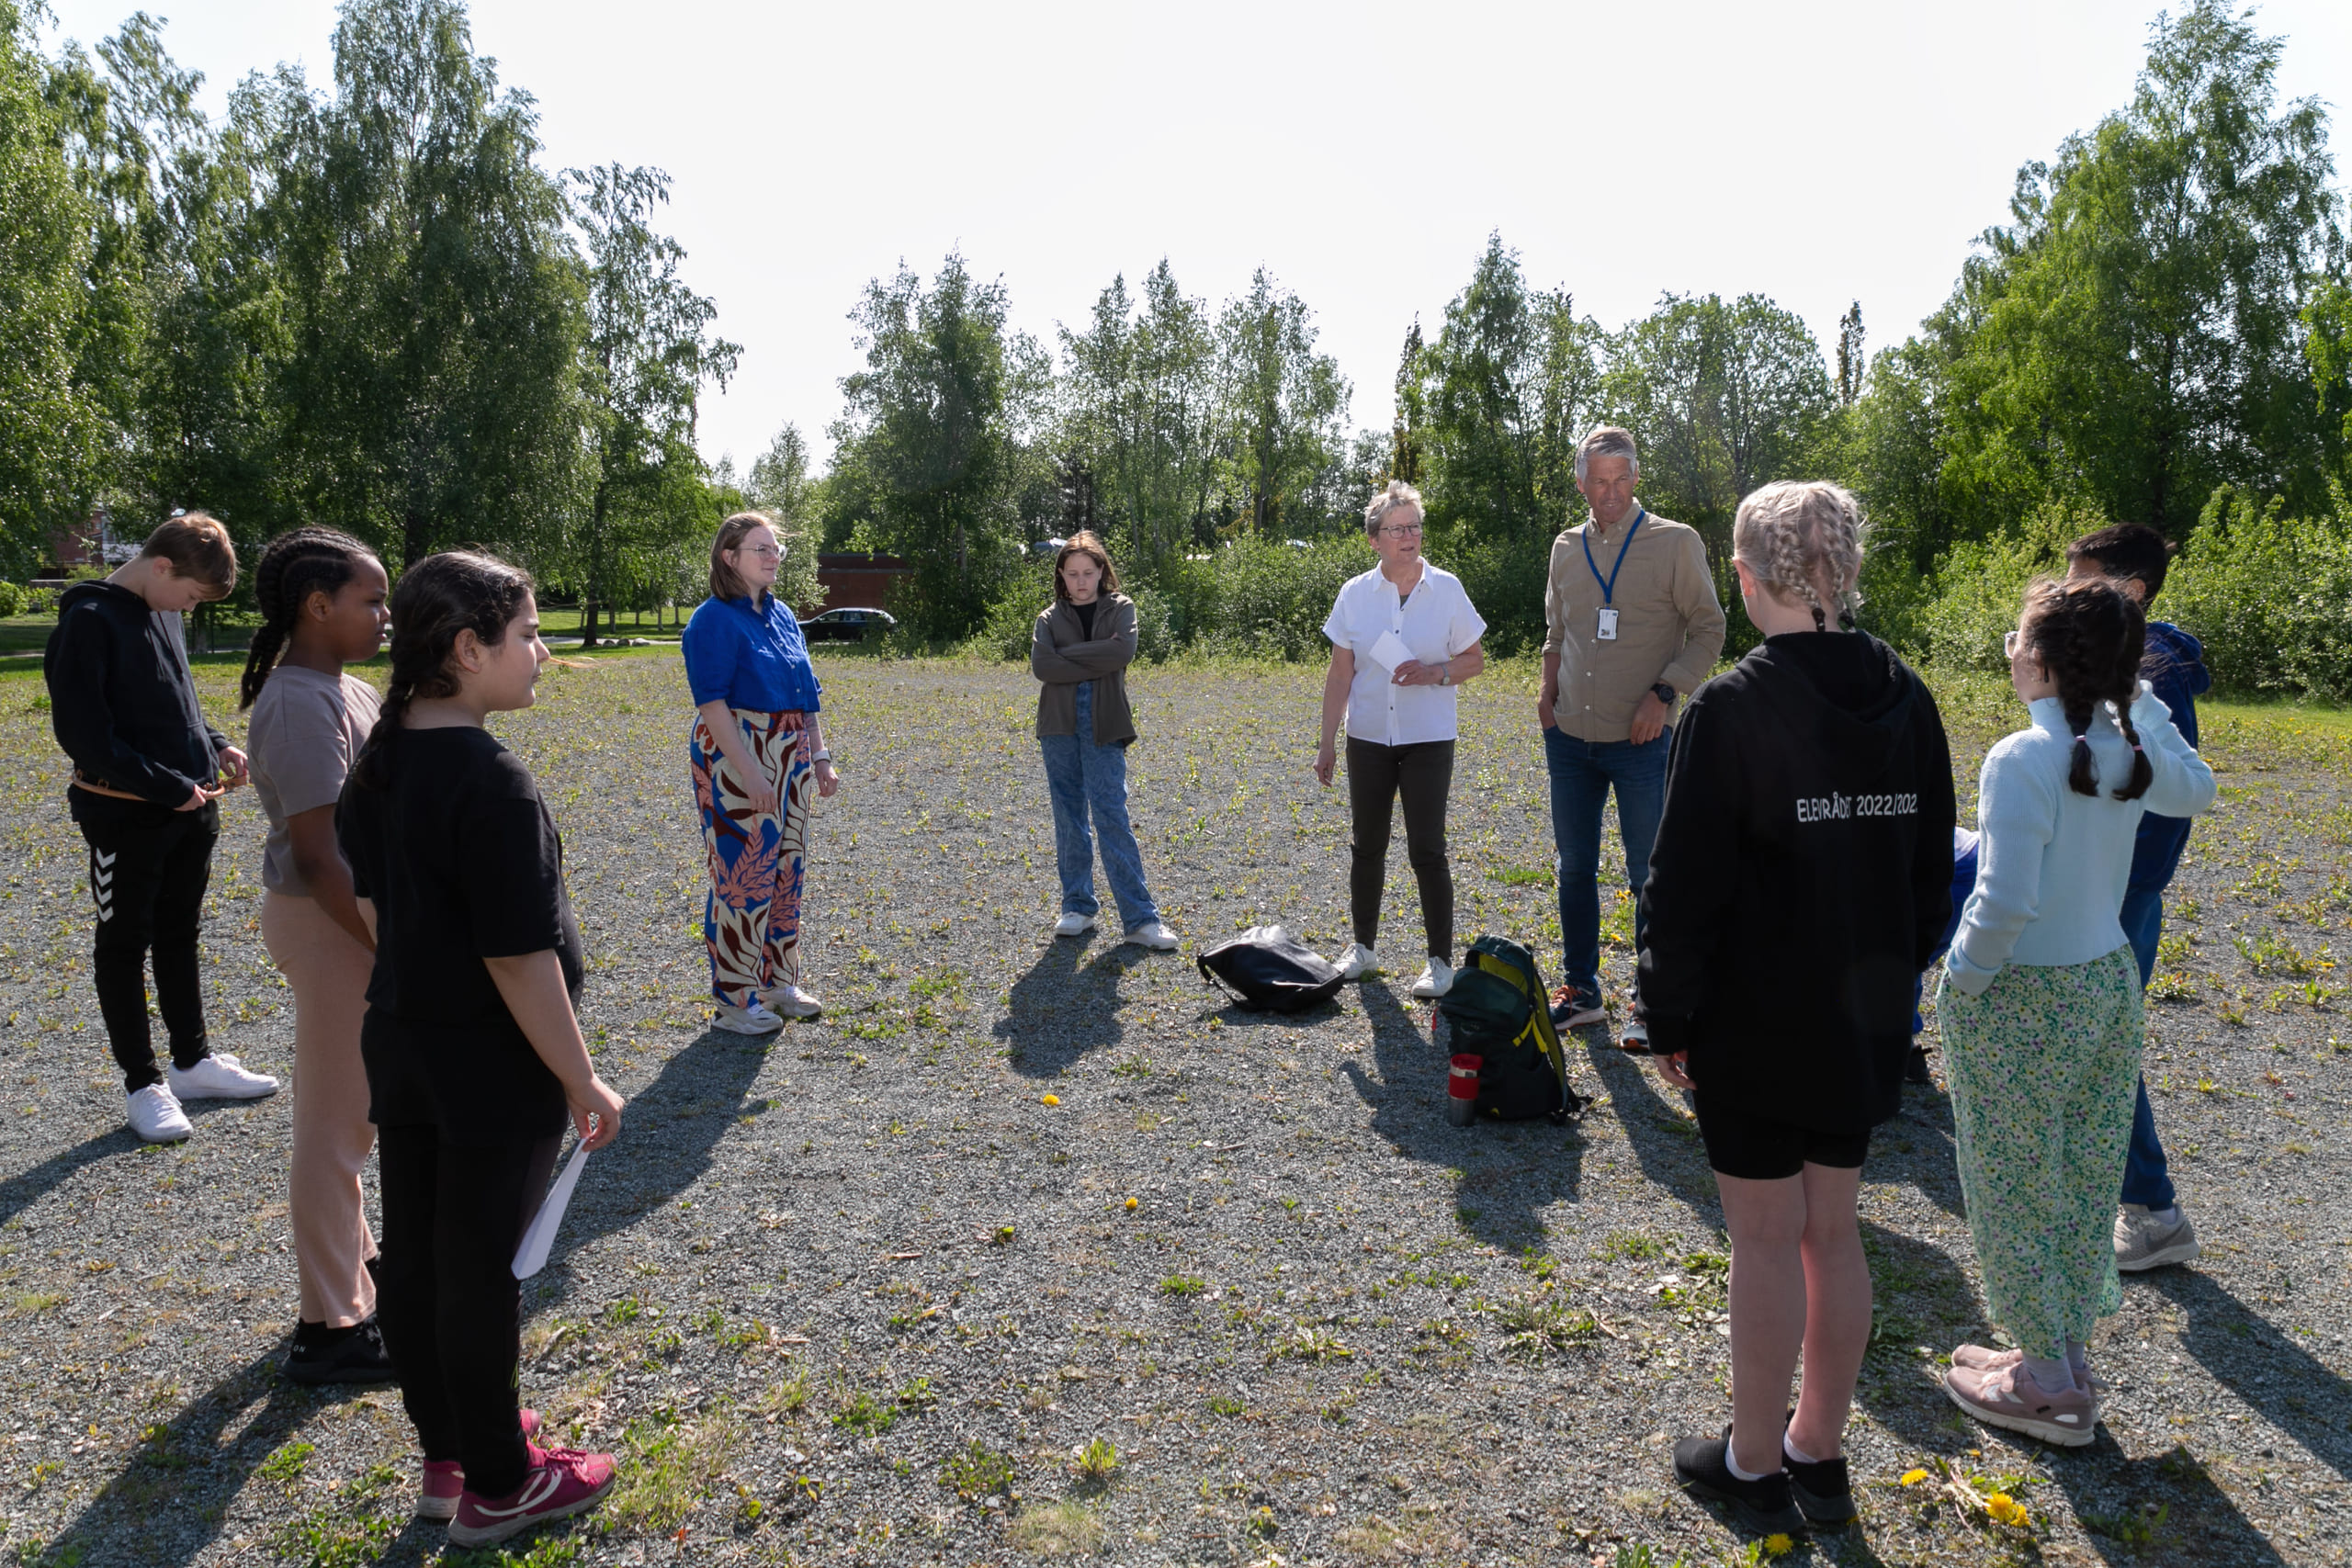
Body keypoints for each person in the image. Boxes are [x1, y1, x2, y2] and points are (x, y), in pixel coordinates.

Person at [1641, 482, 1956, 1535]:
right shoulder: (1907, 699)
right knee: (1835, 1230)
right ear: (1846, 571)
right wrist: (1894, 987)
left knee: (1766, 1238)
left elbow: (1681, 888)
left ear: (1745, 576)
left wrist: (1668, 1014)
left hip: (1756, 1021)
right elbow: (1929, 878)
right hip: (1861, 1022)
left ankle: (1755, 1461)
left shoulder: (1732, 708)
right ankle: (1818, 1450)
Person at [336, 551, 626, 1545]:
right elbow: (518, 957)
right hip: (490, 1064)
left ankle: (450, 1448)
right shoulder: (492, 784)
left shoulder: (376, 765)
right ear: (467, 650)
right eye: (529, 634)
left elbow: (376, 912)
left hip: (404, 1043)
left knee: (415, 1258)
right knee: (477, 1272)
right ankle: (503, 1485)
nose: (542, 652)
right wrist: (576, 1074)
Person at [1937, 578, 2214, 1449]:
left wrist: (1960, 977)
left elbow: (2004, 898)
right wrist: (2138, 699)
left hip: (2024, 994)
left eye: (2017, 639)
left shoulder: (2021, 759)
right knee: (2082, 1178)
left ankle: (2048, 1383)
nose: (2011, 653)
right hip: (2106, 982)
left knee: (2013, 1184)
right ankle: (2057, 1346)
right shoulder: (2127, 751)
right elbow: (2196, 789)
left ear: (2049, 661)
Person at [44, 512, 278, 1143]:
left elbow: (175, 706)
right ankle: (142, 1083)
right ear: (161, 566)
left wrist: (218, 744)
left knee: (179, 932)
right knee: (123, 942)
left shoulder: (162, 611)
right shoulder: (88, 621)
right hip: (123, 814)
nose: (191, 606)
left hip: (187, 809)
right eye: (193, 594)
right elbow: (86, 735)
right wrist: (168, 785)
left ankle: (191, 1062)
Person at [238, 527, 395, 1384]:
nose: (384, 615)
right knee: (335, 1131)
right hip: (331, 921)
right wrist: (385, 945)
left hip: (351, 917)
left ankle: (358, 1276)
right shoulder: (300, 704)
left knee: (356, 1119)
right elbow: (317, 854)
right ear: (317, 605)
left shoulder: (347, 689)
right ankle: (328, 1328)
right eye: (371, 600)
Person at [1539, 426, 1726, 1048]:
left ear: (1636, 478)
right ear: (1581, 482)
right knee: (1574, 870)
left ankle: (1653, 1001)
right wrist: (1546, 697)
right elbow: (1556, 633)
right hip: (1570, 738)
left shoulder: (1675, 543)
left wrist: (1666, 693)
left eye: (1621, 479)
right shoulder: (1566, 547)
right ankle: (1582, 990)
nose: (1610, 492)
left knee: (1652, 874)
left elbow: (1709, 628)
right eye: (1599, 480)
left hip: (1643, 740)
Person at [2064, 524, 2210, 1272]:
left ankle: (2152, 1209)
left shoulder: (2157, 670)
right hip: (2111, 884)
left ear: (2133, 589)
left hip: (2119, 890)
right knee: (2098, 1039)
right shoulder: (2122, 651)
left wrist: (2123, 886)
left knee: (2101, 1042)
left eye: (2081, 578)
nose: (2066, 589)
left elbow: (2167, 793)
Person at [1314, 480, 1487, 999]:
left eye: (1414, 526)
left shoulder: (1448, 589)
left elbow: (1474, 661)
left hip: (1428, 739)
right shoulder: (1354, 595)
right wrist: (1326, 744)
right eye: (1397, 529)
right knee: (1367, 846)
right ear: (1375, 540)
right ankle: (1363, 950)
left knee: (1427, 850)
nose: (1409, 536)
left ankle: (1439, 962)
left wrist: (1435, 672)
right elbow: (1340, 675)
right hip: (1367, 737)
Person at [682, 513, 840, 1034]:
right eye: (760, 549)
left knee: (786, 868)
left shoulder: (784, 615)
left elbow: (807, 694)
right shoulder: (712, 620)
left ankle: (776, 983)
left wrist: (819, 755)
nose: (773, 557)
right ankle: (734, 998)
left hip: (790, 749)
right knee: (741, 873)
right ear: (730, 558)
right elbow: (711, 703)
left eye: (776, 549)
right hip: (737, 751)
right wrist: (750, 771)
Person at [1029, 531, 1181, 950]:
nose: (1081, 581)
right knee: (1069, 816)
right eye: (1073, 573)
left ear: (1101, 572)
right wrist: (1096, 654)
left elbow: (1121, 654)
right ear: (1061, 574)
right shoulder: (1047, 618)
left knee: (1111, 814)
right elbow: (1043, 666)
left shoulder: (1121, 608)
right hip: (1058, 725)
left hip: (1105, 722)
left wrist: (1067, 656)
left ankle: (1140, 920)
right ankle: (1077, 906)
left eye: (1088, 573)